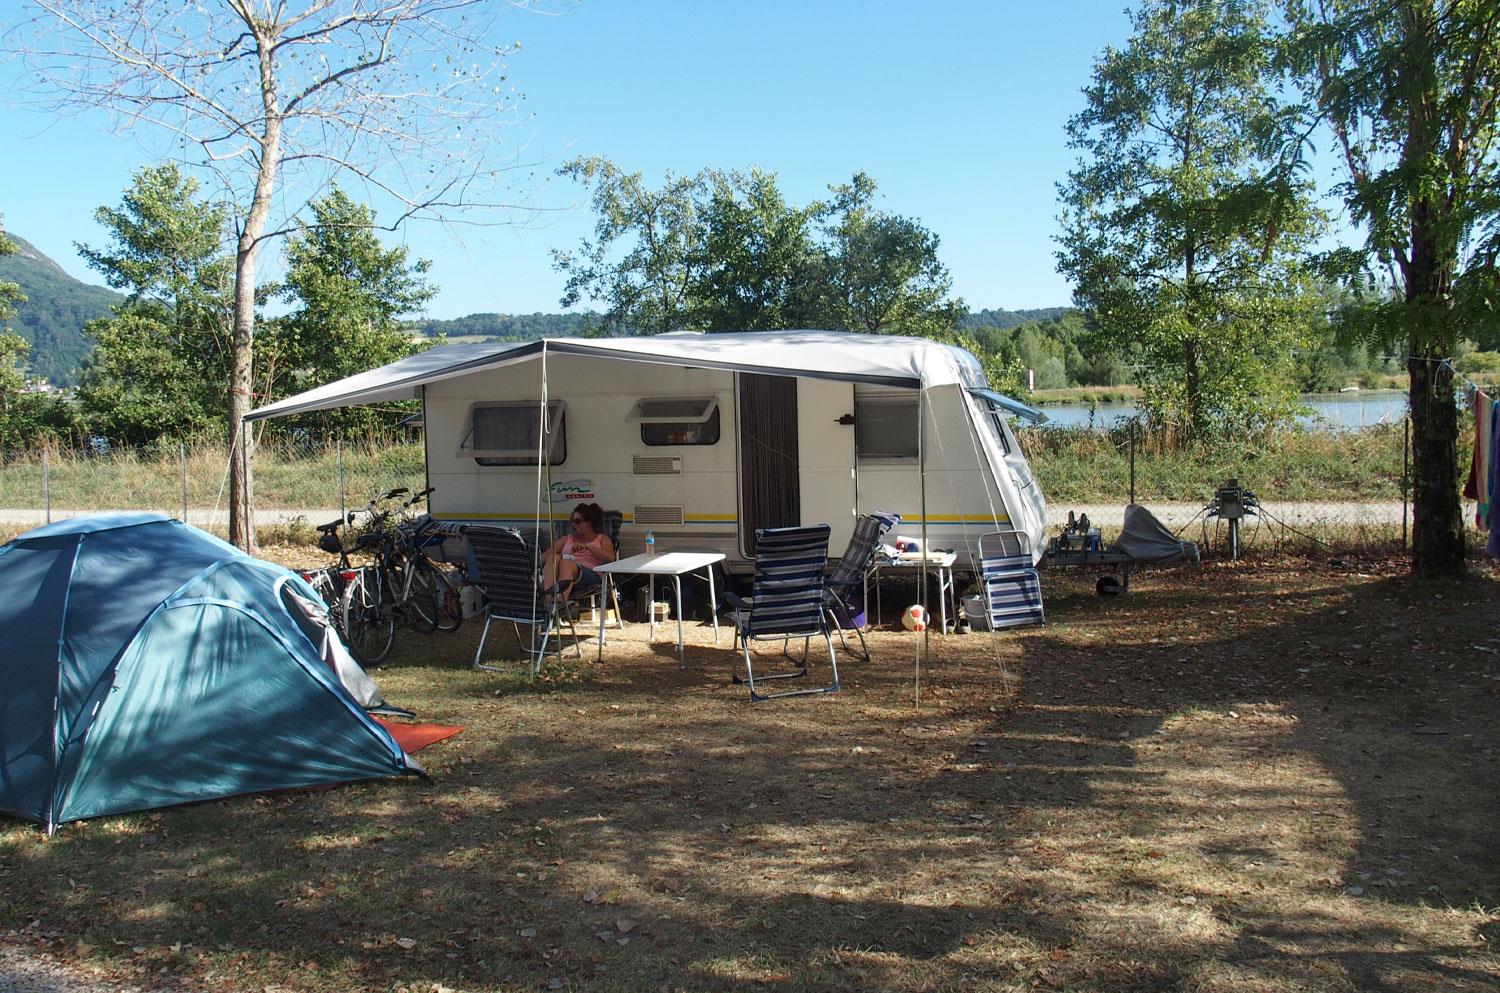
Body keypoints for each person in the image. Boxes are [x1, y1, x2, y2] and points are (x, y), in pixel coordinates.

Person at [541, 502, 616, 601]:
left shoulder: (602, 539)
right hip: (562, 575)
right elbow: (543, 558)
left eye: (577, 521)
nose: (573, 524)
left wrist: (588, 547)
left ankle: (560, 602)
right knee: (553, 557)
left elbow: (611, 558)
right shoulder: (566, 539)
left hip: (590, 575)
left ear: (589, 523)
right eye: (572, 521)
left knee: (566, 563)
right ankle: (549, 601)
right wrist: (564, 555)